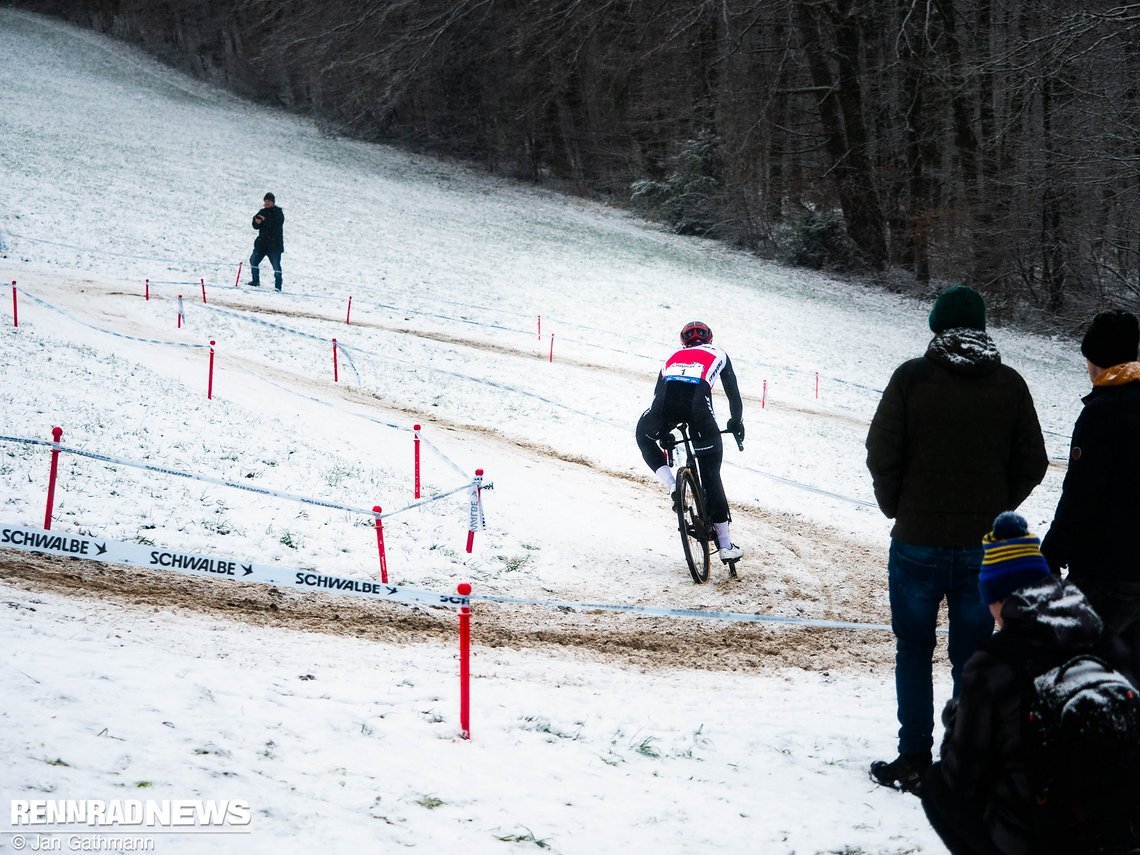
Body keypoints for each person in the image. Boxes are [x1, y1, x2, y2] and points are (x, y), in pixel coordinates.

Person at [865, 285, 1048, 792]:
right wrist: (997, 505)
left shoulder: (912, 378)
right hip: (982, 546)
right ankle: (967, 760)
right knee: (972, 656)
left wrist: (897, 505)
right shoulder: (1009, 384)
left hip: (917, 539)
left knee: (913, 650)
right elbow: (1033, 459)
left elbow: (881, 450)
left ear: (937, 325)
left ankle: (914, 758)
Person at [921, 512, 1139, 855]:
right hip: (1119, 830)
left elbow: (961, 778)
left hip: (1038, 836)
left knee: (936, 786)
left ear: (998, 599)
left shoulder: (994, 662)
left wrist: (955, 722)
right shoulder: (1107, 638)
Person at [1041, 309, 1140, 670]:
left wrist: (1051, 554)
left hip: (1104, 568)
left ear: (1095, 358)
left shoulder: (1103, 412)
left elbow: (1081, 495)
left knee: (1072, 668)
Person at [636, 321, 745, 561]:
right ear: (711, 339)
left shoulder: (673, 357)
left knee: (642, 435)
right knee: (710, 475)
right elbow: (733, 394)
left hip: (664, 409)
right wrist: (736, 422)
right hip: (699, 411)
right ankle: (725, 546)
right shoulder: (719, 354)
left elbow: (658, 395)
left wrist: (664, 433)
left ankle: (673, 484)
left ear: (683, 342)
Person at [249, 192, 284, 291]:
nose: (267, 203)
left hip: (274, 245)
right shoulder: (262, 211)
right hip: (262, 244)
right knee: (253, 261)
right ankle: (255, 281)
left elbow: (276, 223)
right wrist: (257, 222)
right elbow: (255, 225)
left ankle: (278, 286)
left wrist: (265, 220)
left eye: (269, 201)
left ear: (273, 202)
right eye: (266, 201)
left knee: (276, 266)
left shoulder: (278, 212)